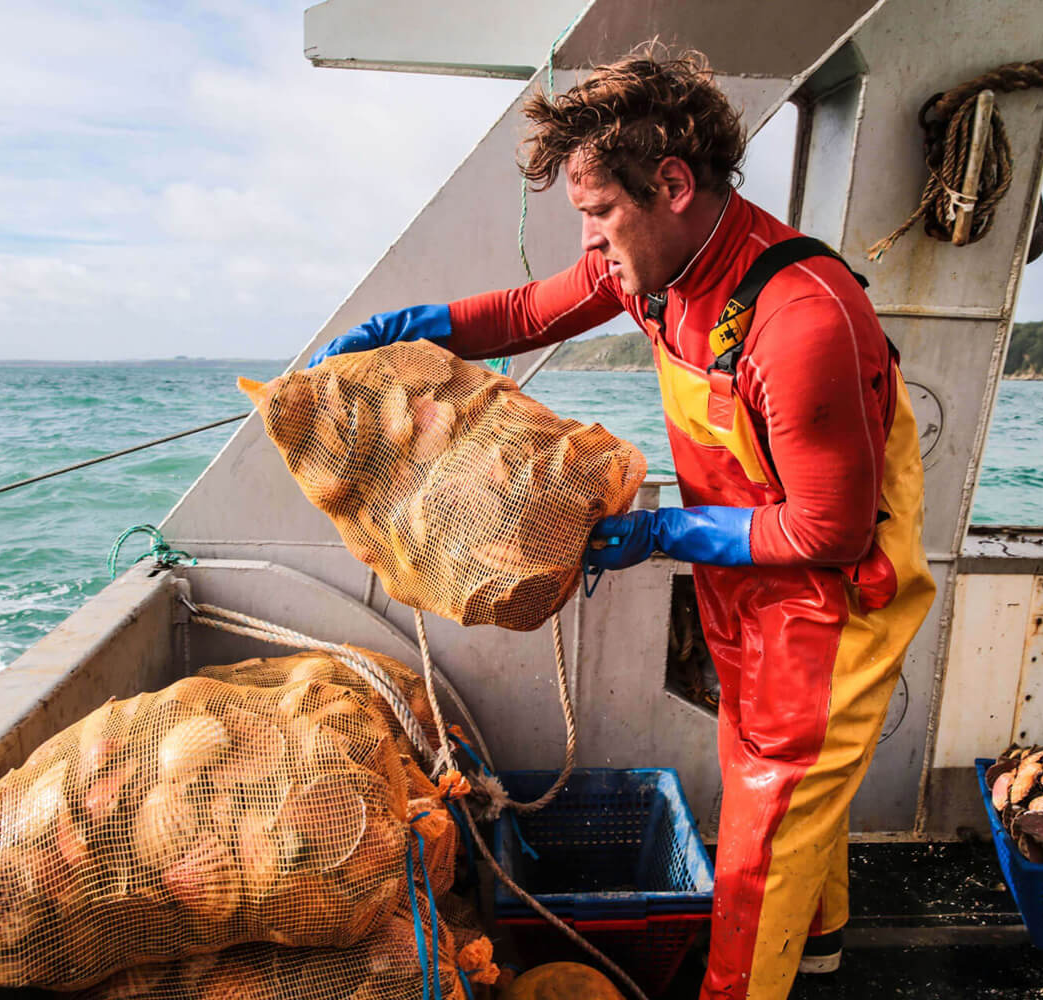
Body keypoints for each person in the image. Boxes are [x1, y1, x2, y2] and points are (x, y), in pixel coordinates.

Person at [309, 46, 936, 1000]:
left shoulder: (801, 322)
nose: (592, 244)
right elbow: (527, 310)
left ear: (672, 184)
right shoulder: (655, 270)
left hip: (831, 600)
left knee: (767, 825)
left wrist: (658, 536)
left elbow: (827, 535)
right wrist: (414, 326)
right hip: (746, 571)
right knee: (794, 794)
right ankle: (824, 953)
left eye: (600, 215)